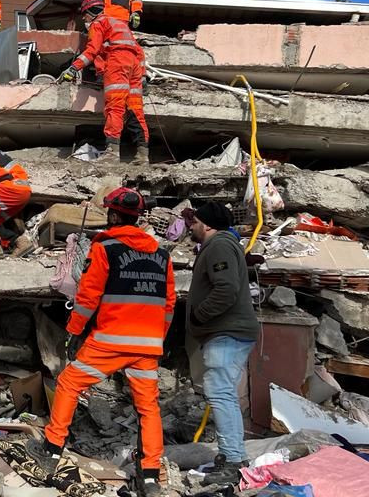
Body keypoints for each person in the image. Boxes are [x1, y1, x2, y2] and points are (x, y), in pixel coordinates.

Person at [34, 187, 174, 496]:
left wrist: (73, 332)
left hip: (111, 340)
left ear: (113, 215)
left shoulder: (105, 249)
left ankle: (52, 448)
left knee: (70, 383)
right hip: (148, 345)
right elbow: (169, 304)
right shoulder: (161, 255)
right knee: (148, 408)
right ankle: (150, 475)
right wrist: (157, 339)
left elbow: (87, 299)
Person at [186, 202, 259, 484]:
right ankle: (234, 456)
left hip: (225, 332)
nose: (191, 226)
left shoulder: (218, 246)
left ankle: (231, 461)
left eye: (194, 222)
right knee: (223, 393)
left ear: (207, 225)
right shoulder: (223, 246)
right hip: (227, 332)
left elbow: (226, 288)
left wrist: (199, 314)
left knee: (221, 394)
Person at [59, 0, 147, 164]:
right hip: (134, 66)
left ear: (91, 13)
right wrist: (142, 76)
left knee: (115, 107)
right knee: (136, 110)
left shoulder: (98, 23)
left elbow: (92, 51)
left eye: (84, 16)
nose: (84, 19)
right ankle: (143, 155)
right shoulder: (119, 24)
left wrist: (73, 68)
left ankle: (112, 154)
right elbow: (139, 51)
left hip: (117, 63)